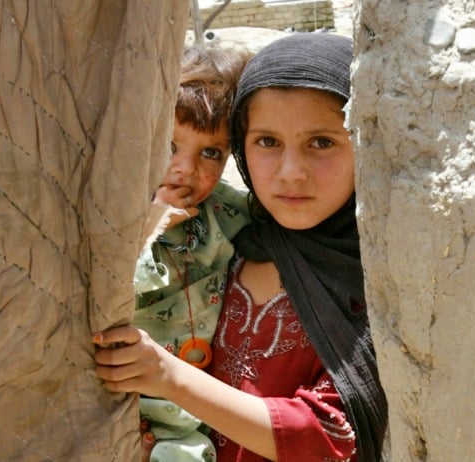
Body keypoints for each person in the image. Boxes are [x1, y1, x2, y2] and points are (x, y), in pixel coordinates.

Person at [94, 33, 388, 462]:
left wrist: (170, 378)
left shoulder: (374, 278)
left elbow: (330, 436)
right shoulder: (230, 240)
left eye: (321, 142)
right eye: (267, 142)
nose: (291, 173)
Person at [130, 44, 250, 461]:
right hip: (128, 412)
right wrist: (150, 227)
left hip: (197, 412)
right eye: (169, 145)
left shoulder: (225, 210)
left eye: (211, 153)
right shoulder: (117, 217)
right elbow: (107, 292)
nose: (186, 168)